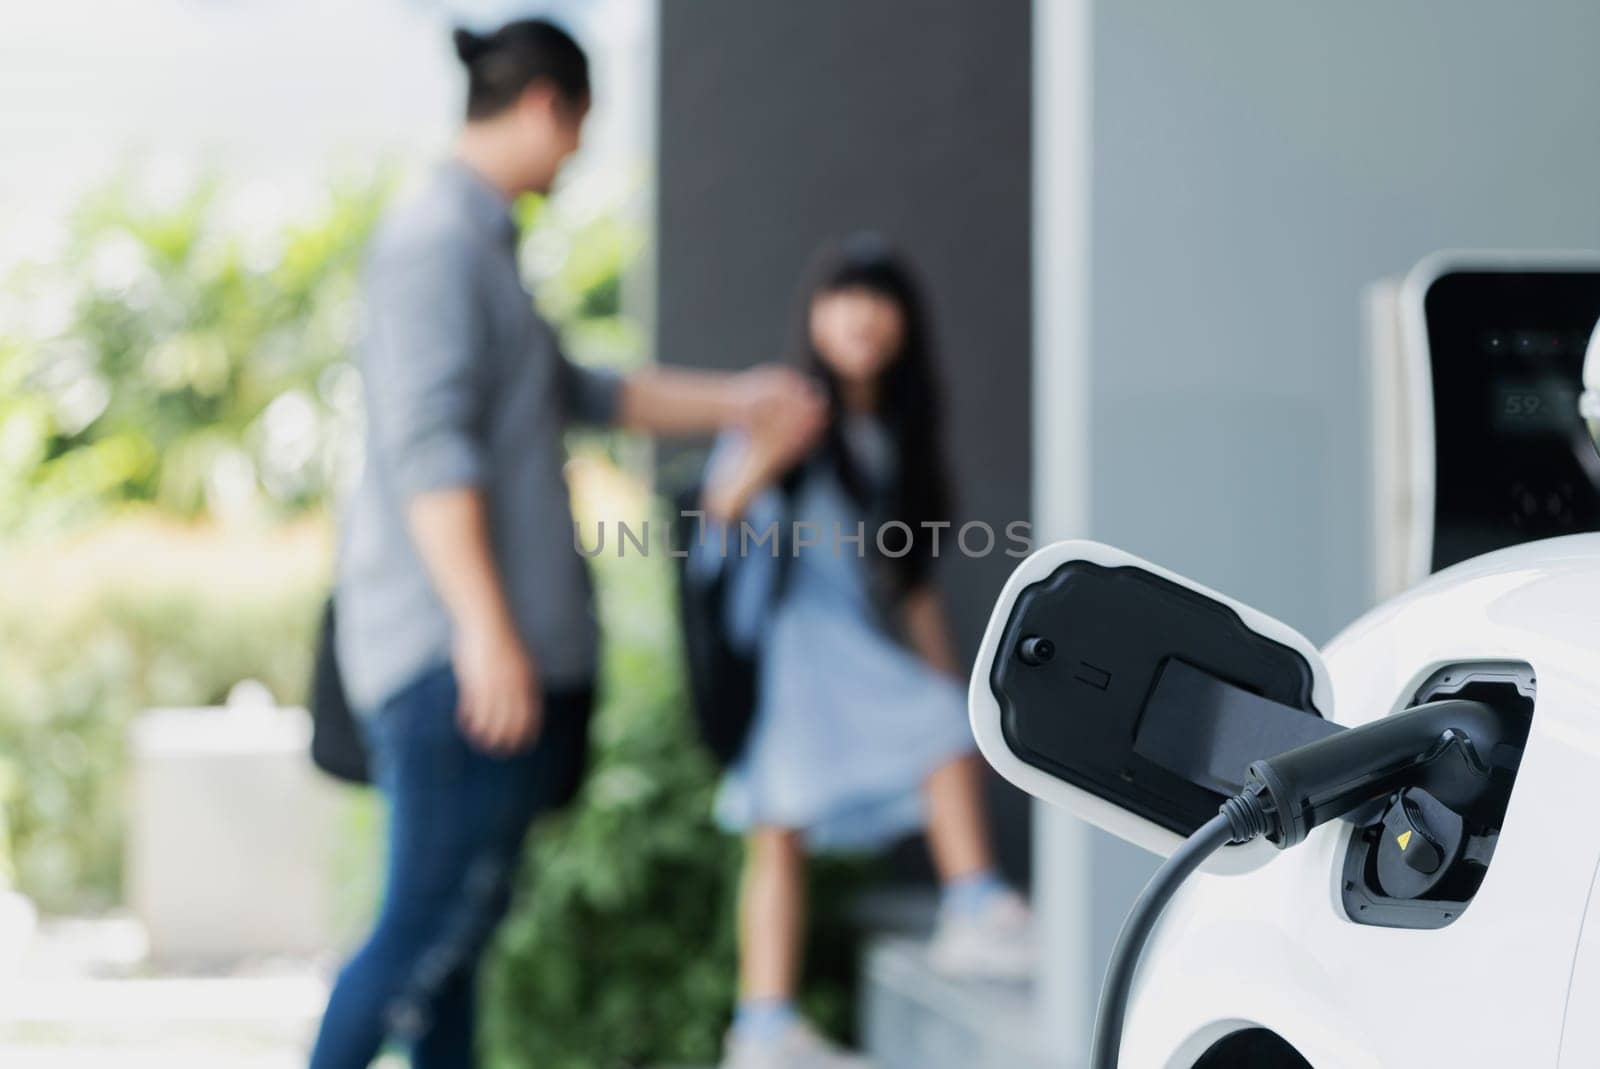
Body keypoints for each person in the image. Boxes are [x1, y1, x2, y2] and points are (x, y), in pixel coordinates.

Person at [309, 19, 824, 1069]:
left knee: (449, 956)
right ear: (547, 104)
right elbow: (427, 447)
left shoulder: (482, 245)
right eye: (582, 128)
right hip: (452, 666)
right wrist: (486, 633)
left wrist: (741, 399)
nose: (581, 157)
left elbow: (581, 390)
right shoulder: (433, 243)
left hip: (473, 661)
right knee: (418, 938)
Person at [700, 235, 1033, 1069]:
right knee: (785, 823)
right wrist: (774, 447)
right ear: (815, 313)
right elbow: (717, 514)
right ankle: (971, 909)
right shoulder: (784, 407)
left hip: (839, 641)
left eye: (879, 300)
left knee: (917, 740)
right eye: (845, 296)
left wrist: (957, 681)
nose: (862, 317)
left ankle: (766, 1025)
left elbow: (910, 586)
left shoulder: (893, 436)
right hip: (790, 642)